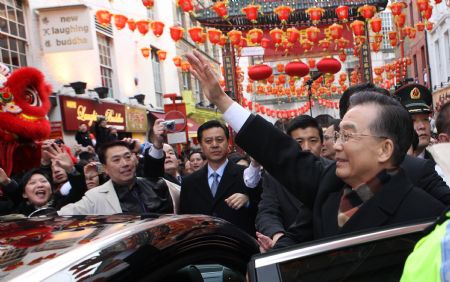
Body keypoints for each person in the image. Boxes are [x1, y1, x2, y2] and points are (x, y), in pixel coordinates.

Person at [186, 50, 445, 240]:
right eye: (338, 135)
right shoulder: (331, 185)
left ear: (384, 149)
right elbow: (280, 153)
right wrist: (221, 100)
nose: (337, 146)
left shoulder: (426, 217)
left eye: (349, 136)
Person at [179, 120, 261, 235]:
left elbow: (263, 208)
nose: (214, 145)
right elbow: (185, 221)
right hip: (203, 246)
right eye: (208, 141)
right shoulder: (189, 183)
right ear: (201, 145)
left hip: (240, 245)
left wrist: (248, 200)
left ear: (228, 143)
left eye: (219, 140)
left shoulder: (246, 175)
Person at [58, 140, 173, 215]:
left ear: (135, 159)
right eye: (116, 160)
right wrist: (71, 169)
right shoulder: (95, 198)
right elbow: (63, 215)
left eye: (127, 157)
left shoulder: (157, 185)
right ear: (105, 168)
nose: (125, 163)